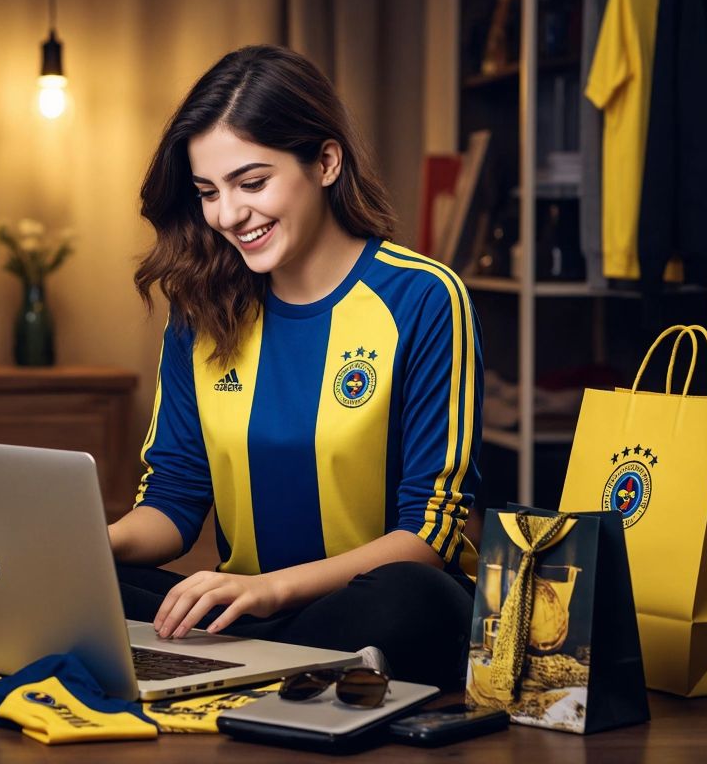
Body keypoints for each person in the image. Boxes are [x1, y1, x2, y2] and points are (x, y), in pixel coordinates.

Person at [108, 45, 483, 689]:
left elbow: (430, 533)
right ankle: (268, 666)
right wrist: (81, 544)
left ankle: (248, 665)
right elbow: (173, 502)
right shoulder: (199, 307)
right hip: (244, 616)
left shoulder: (422, 297)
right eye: (209, 192)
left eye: (252, 182)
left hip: (365, 609)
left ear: (326, 162)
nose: (229, 215)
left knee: (415, 599)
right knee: (91, 586)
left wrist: (270, 590)